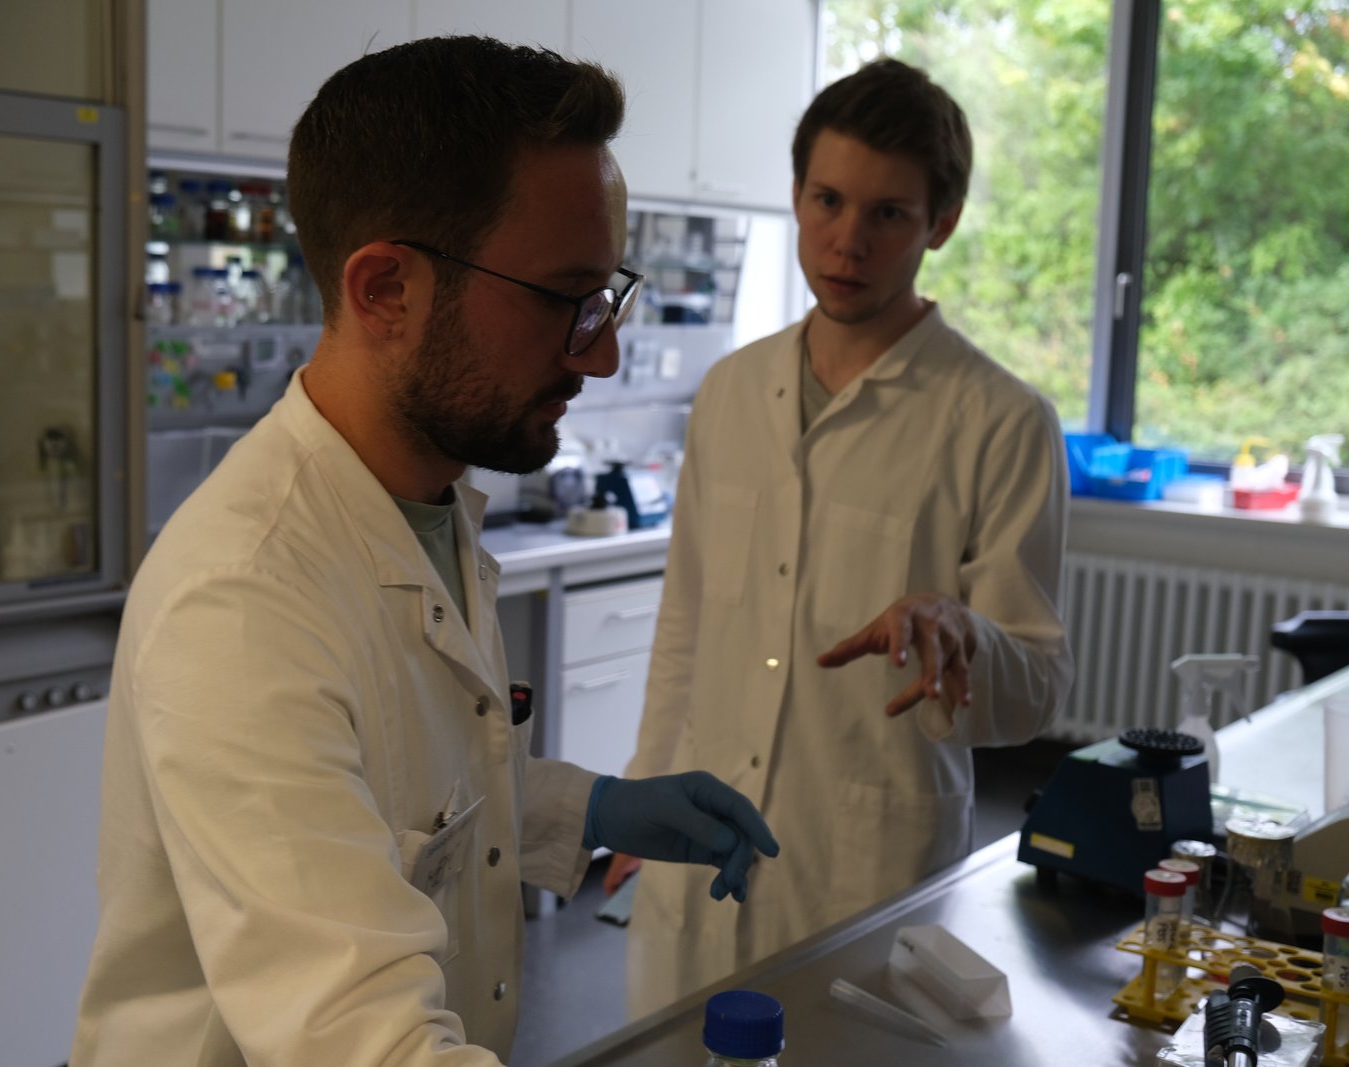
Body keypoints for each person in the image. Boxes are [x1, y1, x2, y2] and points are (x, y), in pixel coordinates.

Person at [69, 36, 778, 1067]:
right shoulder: (243, 598)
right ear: (386, 290)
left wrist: (590, 805)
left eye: (606, 294)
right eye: (562, 299)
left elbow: (412, 795)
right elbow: (366, 1038)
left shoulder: (431, 503)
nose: (603, 349)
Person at [609, 57, 1075, 1017]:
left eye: (887, 214)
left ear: (938, 225)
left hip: (863, 874)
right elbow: (687, 621)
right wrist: (641, 792)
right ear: (794, 193)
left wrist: (964, 633)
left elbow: (1037, 691)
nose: (846, 239)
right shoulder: (732, 392)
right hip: (696, 854)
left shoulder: (1000, 419)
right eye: (826, 199)